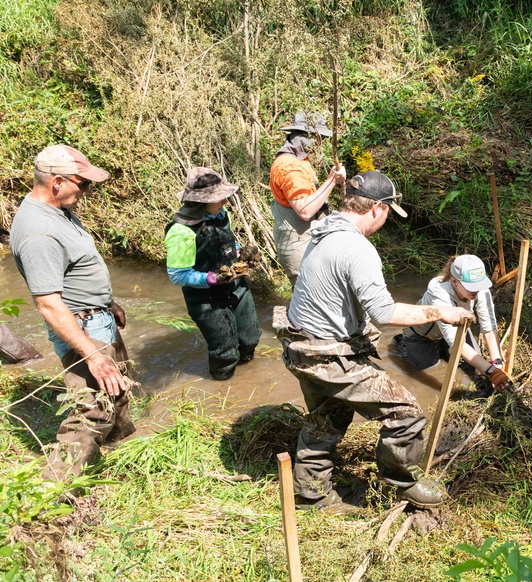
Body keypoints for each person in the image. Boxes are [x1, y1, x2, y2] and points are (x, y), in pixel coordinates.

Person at [276, 170, 475, 510]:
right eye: (387, 214)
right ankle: (404, 480)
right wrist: (441, 313)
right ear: (378, 209)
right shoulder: (358, 248)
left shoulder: (323, 229)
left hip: (299, 346)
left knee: (328, 413)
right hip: (327, 355)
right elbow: (384, 313)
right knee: (407, 414)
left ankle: (310, 495)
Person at [9, 145, 135, 480]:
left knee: (118, 390)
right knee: (93, 412)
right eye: (84, 184)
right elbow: (48, 303)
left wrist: (108, 301)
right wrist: (93, 354)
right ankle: (50, 495)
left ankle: (122, 459)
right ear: (57, 182)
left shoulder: (57, 208)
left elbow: (75, 268)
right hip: (82, 329)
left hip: (97, 317)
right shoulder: (39, 233)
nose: (87, 192)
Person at [164, 167, 261, 381]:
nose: (225, 202)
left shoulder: (221, 214)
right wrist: (211, 278)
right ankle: (224, 383)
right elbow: (177, 275)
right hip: (206, 299)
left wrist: (240, 252)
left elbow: (227, 240)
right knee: (225, 352)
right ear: (200, 201)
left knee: (250, 338)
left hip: (236, 287)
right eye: (220, 198)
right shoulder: (181, 232)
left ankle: (249, 379)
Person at [394, 255, 514, 392]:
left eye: (478, 286)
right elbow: (455, 342)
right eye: (470, 287)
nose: (475, 290)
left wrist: (497, 363)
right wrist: (491, 371)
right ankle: (402, 342)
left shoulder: (480, 290)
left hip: (457, 330)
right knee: (427, 366)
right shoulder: (439, 293)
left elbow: (489, 326)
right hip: (423, 336)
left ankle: (444, 351)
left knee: (471, 363)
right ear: (454, 282)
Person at [269, 112, 347, 287]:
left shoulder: (299, 159)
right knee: (308, 302)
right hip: (299, 248)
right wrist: (333, 180)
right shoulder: (290, 167)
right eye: (317, 138)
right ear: (302, 137)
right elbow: (305, 210)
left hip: (308, 242)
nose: (319, 144)